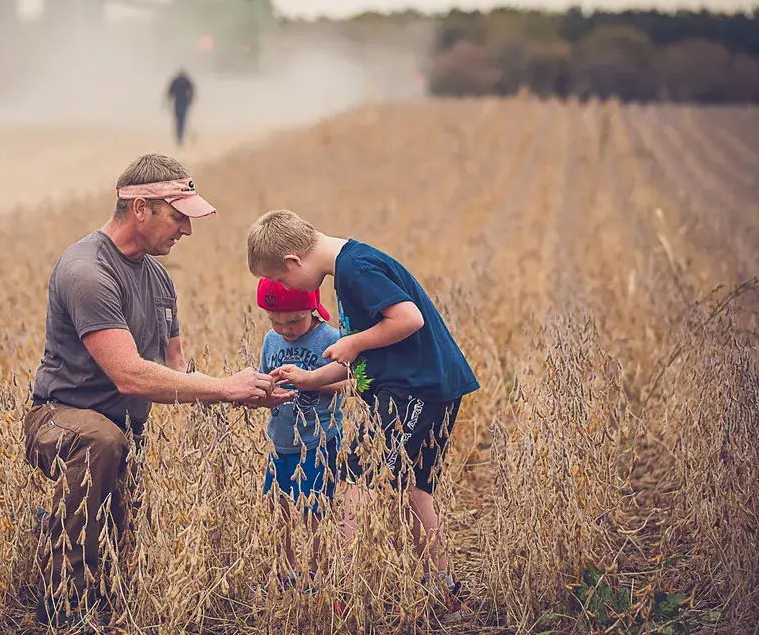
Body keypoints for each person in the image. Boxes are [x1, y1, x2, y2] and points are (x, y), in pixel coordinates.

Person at [25, 153, 287, 628]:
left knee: (127, 540)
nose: (186, 230)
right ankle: (63, 604)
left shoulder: (159, 278)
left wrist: (252, 389)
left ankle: (85, 566)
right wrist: (224, 389)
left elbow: (175, 368)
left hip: (128, 430)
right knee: (101, 443)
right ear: (141, 208)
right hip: (62, 417)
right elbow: (130, 375)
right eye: (178, 216)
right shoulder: (88, 271)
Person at [245, 209, 480, 616]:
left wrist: (353, 344)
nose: (284, 287)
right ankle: (444, 588)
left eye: (282, 280)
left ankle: (347, 586)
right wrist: (311, 378)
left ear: (293, 263)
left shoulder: (355, 269)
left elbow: (408, 319)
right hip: (419, 387)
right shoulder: (348, 268)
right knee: (413, 489)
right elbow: (365, 354)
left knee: (358, 478)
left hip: (415, 389)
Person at [254, 278, 345, 592]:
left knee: (315, 511)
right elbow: (265, 378)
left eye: (293, 321)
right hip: (280, 441)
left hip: (319, 442)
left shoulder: (331, 339)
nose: (286, 330)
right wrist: (262, 394)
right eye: (276, 321)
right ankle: (285, 572)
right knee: (276, 507)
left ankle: (318, 579)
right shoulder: (271, 340)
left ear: (313, 308)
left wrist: (310, 382)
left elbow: (352, 383)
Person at [164, 68, 195, 146]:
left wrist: (168, 100)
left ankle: (179, 136)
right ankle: (180, 136)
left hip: (179, 102)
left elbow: (170, 92)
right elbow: (192, 91)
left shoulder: (176, 80)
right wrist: (191, 100)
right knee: (181, 119)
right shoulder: (186, 80)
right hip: (183, 102)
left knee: (179, 120)